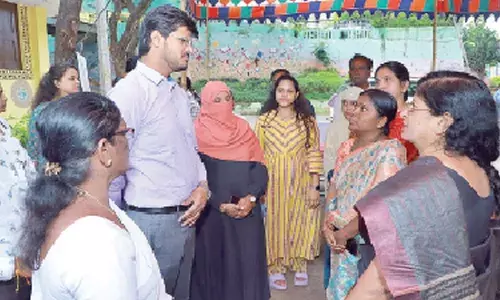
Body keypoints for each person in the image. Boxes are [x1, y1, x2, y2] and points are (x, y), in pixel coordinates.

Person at [333, 71, 498, 299]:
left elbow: (371, 290)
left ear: (442, 122)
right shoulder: (479, 170)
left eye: (414, 107)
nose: (406, 113)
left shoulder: (423, 189)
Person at [18, 92, 171, 299]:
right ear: (104, 149)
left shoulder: (79, 201)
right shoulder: (98, 242)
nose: (128, 141)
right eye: (124, 133)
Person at [107, 5, 208, 300]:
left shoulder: (176, 93)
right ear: (156, 39)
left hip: (185, 219)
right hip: (150, 223)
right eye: (183, 40)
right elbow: (111, 165)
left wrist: (202, 186)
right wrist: (117, 225)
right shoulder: (129, 93)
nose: (189, 49)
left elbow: (190, 150)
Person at [323, 89, 406, 299]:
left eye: (363, 109)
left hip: (366, 242)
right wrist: (328, 224)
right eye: (354, 106)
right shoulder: (347, 146)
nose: (353, 112)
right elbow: (335, 186)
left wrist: (346, 232)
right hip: (339, 237)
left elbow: (381, 204)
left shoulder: (390, 151)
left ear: (381, 121)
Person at [190, 81, 270, 300]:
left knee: (247, 267)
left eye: (228, 98)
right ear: (205, 103)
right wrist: (219, 203)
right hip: (212, 215)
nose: (224, 104)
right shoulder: (195, 133)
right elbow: (194, 177)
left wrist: (252, 198)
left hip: (247, 213)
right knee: (217, 269)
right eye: (217, 100)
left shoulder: (243, 128)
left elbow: (260, 167)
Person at [255, 75, 322, 290]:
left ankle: (299, 263)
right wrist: (258, 186)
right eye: (280, 90)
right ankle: (275, 266)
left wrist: (314, 186)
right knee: (274, 222)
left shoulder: (307, 121)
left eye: (289, 91)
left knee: (300, 220)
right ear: (274, 93)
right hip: (272, 182)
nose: (284, 95)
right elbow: (258, 154)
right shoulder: (264, 120)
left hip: (301, 181)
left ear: (297, 94)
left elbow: (313, 153)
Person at [0, 83, 35, 300]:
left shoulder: (5, 131)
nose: (5, 97)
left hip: (22, 253)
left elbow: (27, 175)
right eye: (0, 93)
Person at [27, 63, 80, 169]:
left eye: (77, 79)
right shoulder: (42, 111)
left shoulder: (75, 108)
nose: (77, 82)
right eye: (72, 79)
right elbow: (35, 146)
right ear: (57, 83)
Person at [374, 61, 419, 163]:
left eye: (387, 80)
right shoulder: (375, 117)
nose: (380, 87)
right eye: (377, 82)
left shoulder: (415, 117)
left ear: (404, 85)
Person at [327, 54, 372, 120]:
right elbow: (331, 104)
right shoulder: (342, 92)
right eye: (352, 69)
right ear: (349, 73)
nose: (356, 72)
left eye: (361, 68)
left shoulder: (375, 96)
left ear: (369, 72)